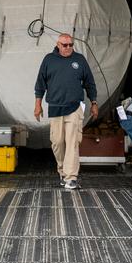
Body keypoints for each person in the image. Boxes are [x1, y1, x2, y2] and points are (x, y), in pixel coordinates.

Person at [34, 32, 98, 191]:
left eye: (70, 45)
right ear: (58, 45)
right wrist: (38, 104)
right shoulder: (49, 60)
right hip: (55, 107)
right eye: (64, 45)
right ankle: (62, 171)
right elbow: (40, 84)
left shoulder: (79, 60)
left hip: (74, 107)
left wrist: (94, 102)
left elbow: (90, 82)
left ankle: (71, 178)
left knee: (72, 142)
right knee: (57, 142)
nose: (68, 48)